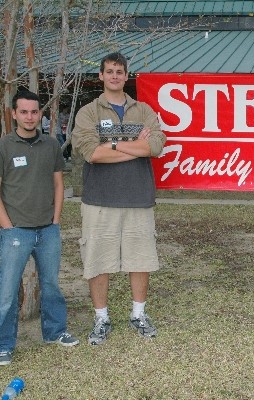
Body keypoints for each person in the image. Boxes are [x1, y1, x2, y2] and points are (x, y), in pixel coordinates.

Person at [72, 52, 167, 345]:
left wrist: (117, 144)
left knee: (141, 260)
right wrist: (131, 143)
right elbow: (93, 153)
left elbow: (156, 146)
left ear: (127, 77)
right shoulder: (88, 112)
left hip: (138, 198)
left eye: (120, 71)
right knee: (98, 261)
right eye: (109, 71)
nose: (115, 76)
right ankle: (101, 318)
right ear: (101, 76)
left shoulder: (144, 110)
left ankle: (138, 314)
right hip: (99, 200)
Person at [0, 90, 79, 366]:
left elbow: (58, 184)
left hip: (48, 230)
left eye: (34, 112)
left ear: (40, 114)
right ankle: (2, 346)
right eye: (23, 111)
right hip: (16, 232)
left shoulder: (50, 145)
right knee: (7, 291)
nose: (29, 117)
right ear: (14, 113)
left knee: (51, 285)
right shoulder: (1, 147)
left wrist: (56, 219)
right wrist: (8, 226)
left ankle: (55, 332)